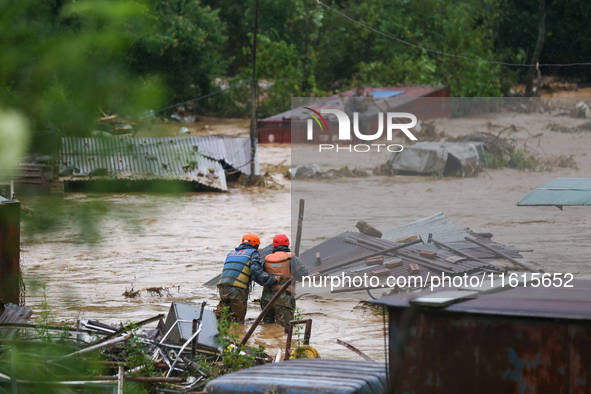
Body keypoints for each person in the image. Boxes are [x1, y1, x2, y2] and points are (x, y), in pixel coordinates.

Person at [216, 233, 278, 324]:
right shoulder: (253, 253)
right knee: (239, 321)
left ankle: (224, 334)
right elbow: (256, 271)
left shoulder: (231, 253)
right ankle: (238, 335)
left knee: (224, 316)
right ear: (255, 245)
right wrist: (271, 279)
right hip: (237, 290)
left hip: (222, 288)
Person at [260, 234, 309, 329]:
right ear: (287, 245)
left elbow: (261, 276)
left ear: (274, 245)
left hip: (266, 299)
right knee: (285, 329)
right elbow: (303, 276)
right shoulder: (292, 259)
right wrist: (298, 263)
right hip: (284, 299)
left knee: (267, 328)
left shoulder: (266, 259)